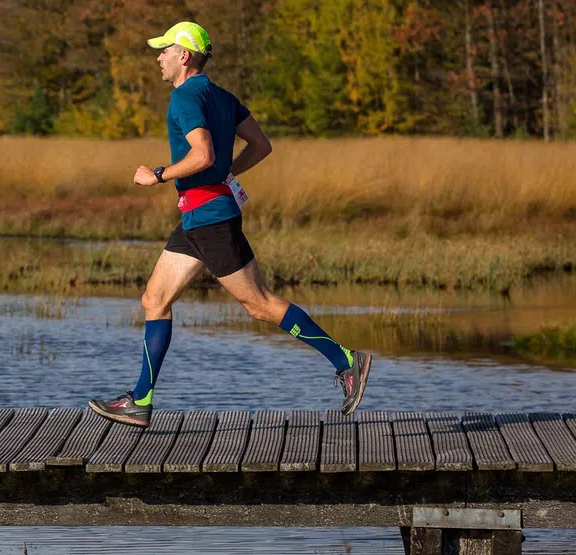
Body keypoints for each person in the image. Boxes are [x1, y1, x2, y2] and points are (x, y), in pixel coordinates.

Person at [88, 21, 374, 428]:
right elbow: (261, 145)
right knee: (154, 300)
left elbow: (202, 155)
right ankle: (140, 400)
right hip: (198, 217)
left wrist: (159, 174)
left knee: (259, 304)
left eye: (164, 50)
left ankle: (347, 361)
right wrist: (229, 173)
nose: (159, 58)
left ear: (183, 55)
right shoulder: (222, 97)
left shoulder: (184, 98)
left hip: (210, 220)